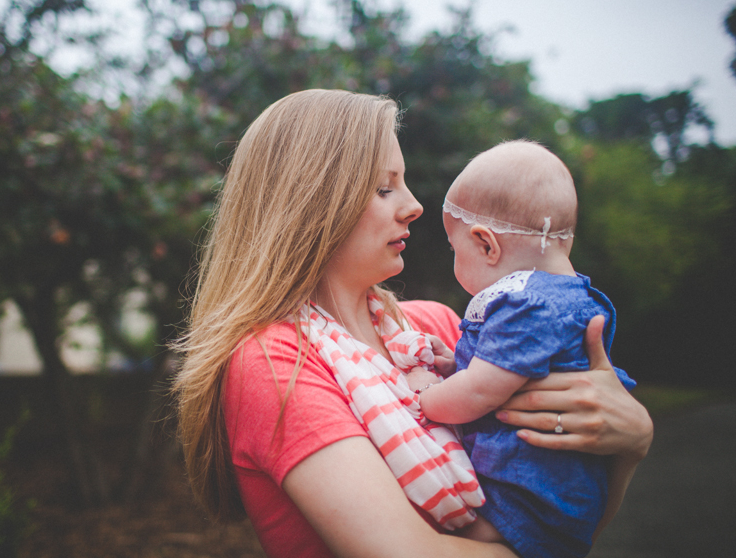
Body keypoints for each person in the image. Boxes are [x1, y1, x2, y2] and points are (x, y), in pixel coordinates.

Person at [173, 90, 653, 558]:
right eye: (385, 188)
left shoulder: (439, 328)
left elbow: (555, 519)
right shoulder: (276, 363)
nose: (414, 205)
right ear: (310, 204)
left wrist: (630, 447)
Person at [406, 140, 635, 557]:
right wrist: (455, 364)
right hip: (555, 492)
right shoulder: (563, 297)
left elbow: (481, 390)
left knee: (444, 541)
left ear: (487, 244)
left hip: (528, 498)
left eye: (455, 251)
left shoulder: (529, 304)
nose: (454, 262)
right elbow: (501, 371)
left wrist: (425, 398)